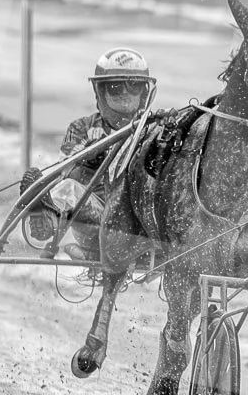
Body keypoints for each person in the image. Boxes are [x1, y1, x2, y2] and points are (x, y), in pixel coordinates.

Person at [19, 47, 156, 259]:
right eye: (116, 86)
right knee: (68, 188)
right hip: (100, 221)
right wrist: (88, 161)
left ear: (144, 91)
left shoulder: (156, 129)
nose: (126, 93)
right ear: (100, 90)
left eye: (134, 85)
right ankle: (46, 219)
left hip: (142, 226)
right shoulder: (82, 128)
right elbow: (63, 172)